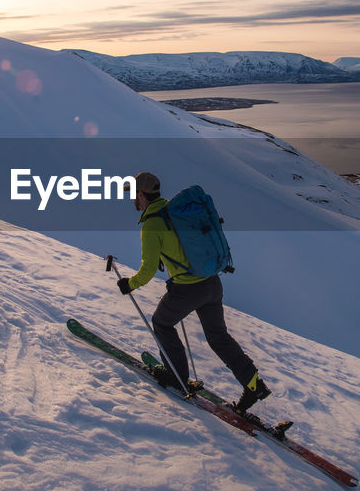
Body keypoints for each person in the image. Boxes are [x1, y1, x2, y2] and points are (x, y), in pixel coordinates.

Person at [116, 171, 272, 413]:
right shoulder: (173, 210)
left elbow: (147, 270)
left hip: (188, 289)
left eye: (133, 195)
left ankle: (175, 375)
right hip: (212, 283)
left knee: (162, 323)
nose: (132, 200)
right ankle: (254, 384)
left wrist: (130, 284)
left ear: (140, 195)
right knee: (219, 337)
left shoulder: (152, 224)